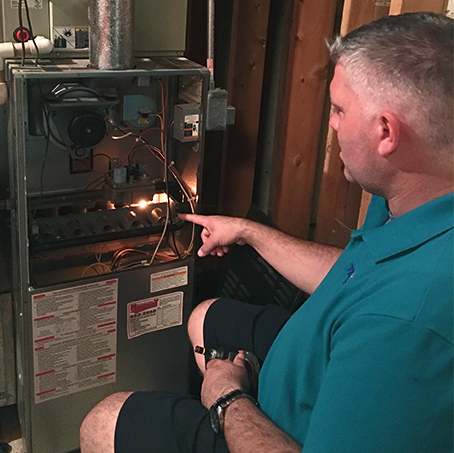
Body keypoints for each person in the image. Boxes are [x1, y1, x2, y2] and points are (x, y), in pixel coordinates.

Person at [80, 12, 453, 453]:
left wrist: (227, 399)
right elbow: (357, 274)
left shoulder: (404, 327)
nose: (331, 124)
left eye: (338, 110)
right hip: (319, 355)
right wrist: (248, 232)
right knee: (204, 317)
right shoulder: (412, 197)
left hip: (286, 429)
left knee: (104, 422)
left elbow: (386, 309)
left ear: (385, 131)